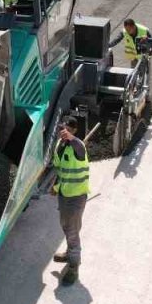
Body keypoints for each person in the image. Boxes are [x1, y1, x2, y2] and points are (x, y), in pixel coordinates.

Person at [51, 116, 90, 286]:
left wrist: (71, 138)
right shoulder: (61, 146)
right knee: (66, 226)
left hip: (76, 197)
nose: (63, 131)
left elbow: (77, 145)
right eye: (62, 128)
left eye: (67, 129)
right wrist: (55, 187)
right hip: (64, 195)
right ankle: (69, 254)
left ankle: (74, 266)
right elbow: (61, 170)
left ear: (73, 130)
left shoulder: (78, 146)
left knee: (73, 231)